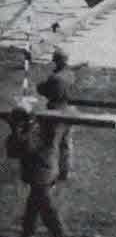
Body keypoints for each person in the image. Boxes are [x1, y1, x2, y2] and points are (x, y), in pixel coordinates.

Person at [3, 101, 74, 237]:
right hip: (42, 172)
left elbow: (26, 148)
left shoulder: (38, 128)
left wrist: (15, 130)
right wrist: (16, 130)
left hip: (42, 174)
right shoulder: (38, 124)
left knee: (49, 214)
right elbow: (13, 151)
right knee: (32, 209)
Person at [37, 47, 75, 181]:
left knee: (51, 144)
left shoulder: (56, 78)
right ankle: (65, 171)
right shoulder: (70, 74)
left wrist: (41, 85)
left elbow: (44, 90)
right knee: (66, 143)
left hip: (56, 112)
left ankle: (50, 173)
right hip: (70, 111)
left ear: (57, 60)